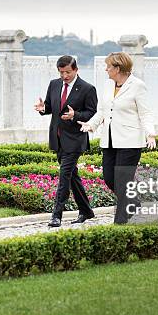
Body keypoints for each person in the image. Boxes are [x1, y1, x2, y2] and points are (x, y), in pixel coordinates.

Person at [78, 52, 156, 224]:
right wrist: (91, 125)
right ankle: (134, 202)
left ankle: (120, 221)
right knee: (109, 178)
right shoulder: (108, 85)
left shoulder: (137, 85)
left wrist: (150, 133)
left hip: (130, 141)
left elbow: (145, 113)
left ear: (118, 68)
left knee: (122, 181)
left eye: (108, 66)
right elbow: (102, 111)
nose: (106, 69)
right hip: (109, 140)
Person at [34, 55, 98, 227]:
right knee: (72, 176)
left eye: (68, 72)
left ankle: (56, 215)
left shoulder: (87, 88)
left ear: (76, 70)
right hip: (57, 138)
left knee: (64, 176)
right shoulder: (54, 84)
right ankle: (86, 211)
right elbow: (50, 106)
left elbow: (92, 113)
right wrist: (43, 109)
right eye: (61, 72)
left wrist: (75, 115)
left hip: (75, 139)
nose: (64, 76)